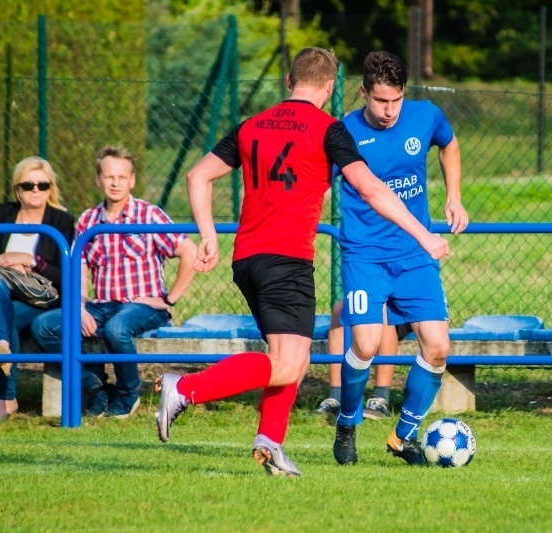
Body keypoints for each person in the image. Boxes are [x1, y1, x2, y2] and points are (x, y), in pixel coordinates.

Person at [153, 47, 449, 478]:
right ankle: (185, 388)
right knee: (290, 362)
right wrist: (424, 234)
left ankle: (271, 442)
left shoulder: (251, 126)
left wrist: (210, 235)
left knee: (288, 353)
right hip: (286, 259)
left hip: (248, 259)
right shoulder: (330, 129)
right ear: (330, 88)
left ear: (289, 82)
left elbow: (198, 176)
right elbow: (371, 189)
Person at [332, 51, 468, 467]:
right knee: (367, 344)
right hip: (365, 256)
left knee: (439, 347)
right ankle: (347, 423)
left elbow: (449, 144)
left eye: (395, 100)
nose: (389, 111)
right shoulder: (342, 132)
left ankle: (403, 436)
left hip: (414, 256)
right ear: (363, 93)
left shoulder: (424, 116)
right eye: (380, 101)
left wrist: (454, 195)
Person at [31, 146, 197, 419]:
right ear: (99, 180)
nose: (116, 183)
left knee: (117, 327)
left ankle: (127, 394)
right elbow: (80, 269)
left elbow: (189, 252)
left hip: (142, 305)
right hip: (101, 305)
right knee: (45, 326)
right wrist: (81, 307)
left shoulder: (149, 215)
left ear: (132, 180)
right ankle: (95, 386)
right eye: (109, 177)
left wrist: (169, 300)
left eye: (122, 177)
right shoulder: (88, 219)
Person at [0, 157, 75, 422]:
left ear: (51, 189)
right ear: (18, 189)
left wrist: (31, 261)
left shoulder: (61, 221)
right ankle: (7, 396)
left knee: (3, 314)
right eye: (28, 185)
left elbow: (66, 278)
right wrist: (3, 262)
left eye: (42, 185)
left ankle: (4, 395)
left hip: (41, 299)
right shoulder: (3, 214)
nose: (36, 190)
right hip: (1, 293)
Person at [315, 300, 412, 420]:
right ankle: (336, 397)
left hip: (402, 306)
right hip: (370, 297)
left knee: (383, 310)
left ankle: (380, 398)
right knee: (341, 308)